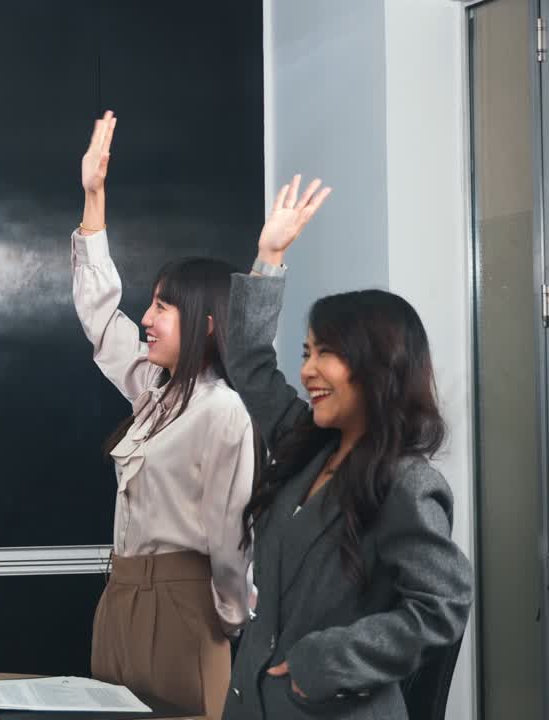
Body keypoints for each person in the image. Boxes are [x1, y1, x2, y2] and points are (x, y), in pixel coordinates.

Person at [222, 176, 474, 719]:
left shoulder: (407, 482)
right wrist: (269, 257)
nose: (307, 370)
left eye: (326, 353)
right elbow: (248, 363)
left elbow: (443, 606)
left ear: (377, 364)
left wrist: (328, 660)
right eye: (306, 352)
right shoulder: (304, 445)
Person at [72, 111, 256, 720]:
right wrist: (93, 198)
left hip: (184, 605)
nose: (147, 319)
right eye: (150, 304)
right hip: (122, 594)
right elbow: (101, 317)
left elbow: (230, 536)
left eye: (162, 308)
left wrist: (228, 619)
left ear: (207, 322)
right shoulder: (155, 389)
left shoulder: (222, 409)